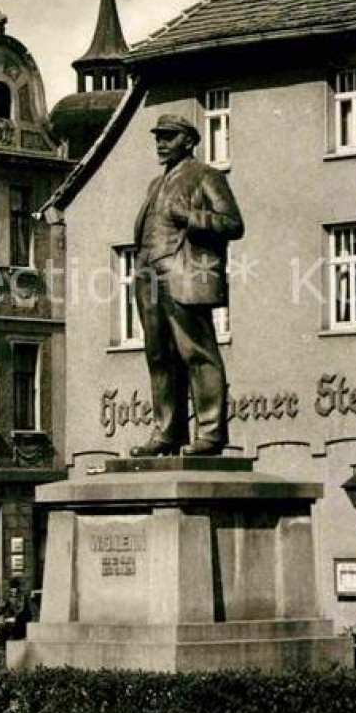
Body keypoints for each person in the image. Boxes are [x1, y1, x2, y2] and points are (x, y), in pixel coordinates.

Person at [130, 113, 244, 457]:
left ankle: (210, 433)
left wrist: (190, 217)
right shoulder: (155, 184)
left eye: (169, 137)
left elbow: (233, 224)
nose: (160, 143)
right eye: (158, 137)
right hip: (149, 274)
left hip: (183, 272)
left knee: (197, 351)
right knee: (159, 356)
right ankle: (168, 431)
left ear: (189, 141)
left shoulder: (205, 176)